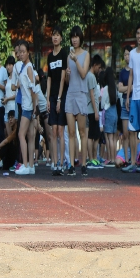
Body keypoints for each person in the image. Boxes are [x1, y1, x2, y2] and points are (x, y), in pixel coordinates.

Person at [123, 25, 140, 174]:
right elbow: (131, 75)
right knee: (132, 131)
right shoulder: (132, 53)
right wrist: (128, 96)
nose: (139, 36)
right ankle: (133, 162)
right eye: (137, 33)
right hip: (134, 97)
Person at [64, 26, 90, 176]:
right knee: (71, 132)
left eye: (76, 37)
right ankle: (71, 164)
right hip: (70, 94)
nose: (74, 39)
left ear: (80, 38)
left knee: (82, 132)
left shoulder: (85, 54)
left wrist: (76, 61)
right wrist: (67, 74)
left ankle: (84, 163)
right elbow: (68, 81)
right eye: (72, 37)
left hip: (81, 94)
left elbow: (83, 74)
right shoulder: (69, 56)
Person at [46, 26, 68, 175]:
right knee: (53, 131)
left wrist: (59, 98)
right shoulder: (49, 56)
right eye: (53, 35)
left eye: (58, 35)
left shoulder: (63, 54)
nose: (55, 37)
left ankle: (61, 163)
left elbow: (62, 78)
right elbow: (49, 78)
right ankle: (54, 162)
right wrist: (48, 98)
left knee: (61, 131)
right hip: (52, 96)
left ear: (61, 38)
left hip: (62, 95)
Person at [15, 40, 38, 175]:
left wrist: (34, 108)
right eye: (20, 52)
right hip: (27, 105)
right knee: (30, 136)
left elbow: (33, 89)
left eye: (24, 52)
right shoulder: (24, 67)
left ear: (28, 52)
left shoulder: (29, 67)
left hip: (27, 107)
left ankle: (25, 164)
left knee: (21, 134)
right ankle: (30, 166)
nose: (21, 54)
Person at [86, 55, 104, 168]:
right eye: (99, 67)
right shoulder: (91, 76)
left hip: (90, 109)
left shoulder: (88, 76)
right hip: (92, 110)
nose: (99, 69)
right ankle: (92, 158)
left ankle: (92, 158)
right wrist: (96, 111)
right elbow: (92, 95)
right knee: (94, 136)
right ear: (95, 65)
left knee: (92, 135)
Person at [117, 45, 132, 165]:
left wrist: (125, 88)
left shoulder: (135, 70)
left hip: (133, 100)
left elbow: (136, 87)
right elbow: (120, 88)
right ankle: (126, 159)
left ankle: (134, 158)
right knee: (125, 134)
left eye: (128, 54)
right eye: (125, 55)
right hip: (124, 103)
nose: (126, 56)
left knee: (134, 133)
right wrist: (129, 87)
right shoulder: (122, 72)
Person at [100, 64, 118, 166]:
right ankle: (114, 158)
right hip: (115, 112)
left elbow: (102, 104)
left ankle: (110, 158)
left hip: (108, 112)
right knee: (114, 138)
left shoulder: (106, 88)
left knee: (109, 137)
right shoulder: (114, 88)